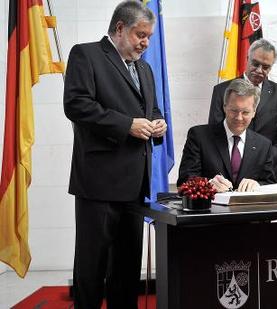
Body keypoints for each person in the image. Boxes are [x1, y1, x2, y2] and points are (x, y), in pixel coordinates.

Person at [63, 1, 167, 308]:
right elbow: (77, 105)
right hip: (98, 184)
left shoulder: (145, 68)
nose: (146, 42)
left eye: (149, 36)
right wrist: (127, 126)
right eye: (140, 34)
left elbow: (151, 109)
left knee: (126, 270)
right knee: (92, 269)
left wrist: (157, 124)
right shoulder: (86, 54)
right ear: (120, 28)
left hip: (135, 185)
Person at [208, 38, 277, 182]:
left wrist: (263, 166)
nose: (259, 70)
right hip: (228, 173)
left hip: (266, 176)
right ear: (247, 59)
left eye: (265, 67)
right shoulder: (222, 90)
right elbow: (215, 132)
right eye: (255, 64)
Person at [178, 79, 276, 192]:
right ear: (224, 107)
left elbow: (271, 184)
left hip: (247, 209)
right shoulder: (199, 136)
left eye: (245, 112)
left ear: (254, 112)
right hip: (210, 208)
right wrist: (208, 185)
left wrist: (258, 185)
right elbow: (184, 181)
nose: (239, 118)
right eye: (234, 111)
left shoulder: (263, 145)